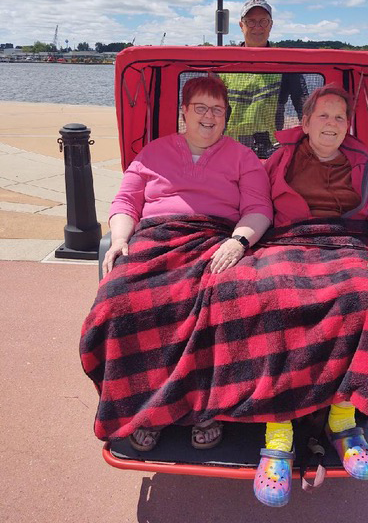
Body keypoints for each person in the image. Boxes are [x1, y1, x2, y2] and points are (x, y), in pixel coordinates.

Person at [81, 75, 272, 451]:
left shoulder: (242, 157)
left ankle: (205, 409)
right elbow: (125, 203)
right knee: (119, 301)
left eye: (217, 109)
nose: (208, 116)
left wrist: (237, 242)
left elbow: (258, 208)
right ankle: (143, 408)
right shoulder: (154, 152)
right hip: (156, 236)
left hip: (215, 239)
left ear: (227, 116)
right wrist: (120, 239)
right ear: (184, 112)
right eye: (200, 107)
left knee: (225, 301)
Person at [251, 83, 368, 507]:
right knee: (272, 299)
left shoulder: (364, 166)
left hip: (344, 243)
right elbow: (254, 203)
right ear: (305, 122)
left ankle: (343, 420)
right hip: (288, 242)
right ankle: (278, 432)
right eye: (323, 115)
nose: (331, 124)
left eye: (340, 117)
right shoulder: (279, 160)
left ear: (348, 126)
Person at [221, 0, 308, 157]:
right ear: (242, 25)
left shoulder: (286, 64)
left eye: (263, 22)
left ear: (271, 25)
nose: (257, 27)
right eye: (251, 22)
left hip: (268, 150)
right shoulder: (224, 63)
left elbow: (304, 105)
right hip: (228, 149)